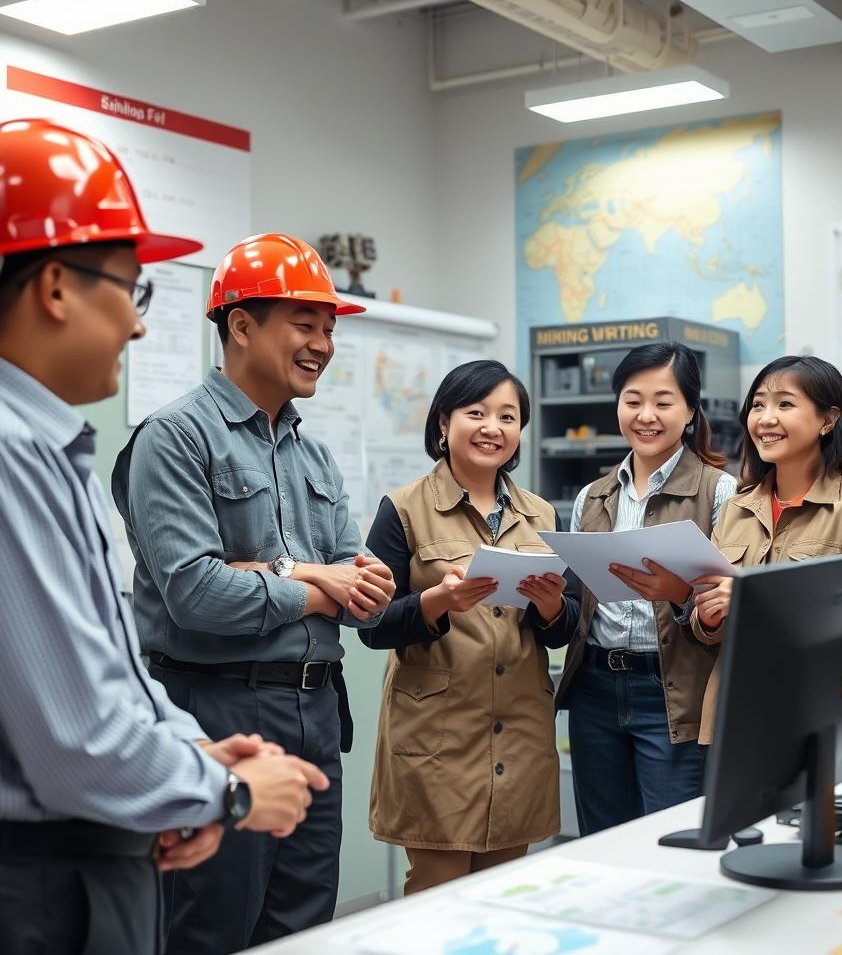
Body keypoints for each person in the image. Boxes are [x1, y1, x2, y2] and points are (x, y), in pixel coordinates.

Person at [0, 120, 328, 955]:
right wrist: (223, 792)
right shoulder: (17, 454)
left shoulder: (47, 445)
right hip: (39, 875)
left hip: (110, 828)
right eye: (130, 291)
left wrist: (195, 761)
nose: (139, 326)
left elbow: (108, 669)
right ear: (56, 289)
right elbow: (76, 737)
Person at [111, 233, 396, 954]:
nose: (323, 344)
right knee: (213, 928)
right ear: (241, 324)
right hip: (219, 708)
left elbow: (356, 589)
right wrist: (311, 577)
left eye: (329, 328)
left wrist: (289, 575)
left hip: (316, 710)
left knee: (303, 927)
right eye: (306, 323)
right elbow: (197, 596)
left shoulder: (314, 451)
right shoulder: (175, 438)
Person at [359, 359, 579, 894]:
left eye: (508, 416)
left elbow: (563, 626)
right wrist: (437, 601)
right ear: (442, 422)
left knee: (507, 895)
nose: (493, 427)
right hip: (438, 737)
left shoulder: (542, 514)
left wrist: (551, 607)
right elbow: (372, 622)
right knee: (437, 896)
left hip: (520, 734)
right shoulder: (404, 508)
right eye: (476, 412)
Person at [553, 342, 736, 835]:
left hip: (672, 690)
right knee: (601, 840)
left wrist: (679, 593)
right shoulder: (593, 496)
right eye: (633, 401)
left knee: (670, 839)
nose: (646, 415)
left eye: (663, 401)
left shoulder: (720, 491)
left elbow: (726, 609)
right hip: (595, 689)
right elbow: (576, 599)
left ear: (691, 410)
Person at [689, 355, 842, 742]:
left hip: (817, 709)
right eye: (758, 405)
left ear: (827, 420)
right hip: (736, 711)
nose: (765, 418)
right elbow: (707, 632)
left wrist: (755, 597)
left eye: (785, 404)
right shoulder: (737, 505)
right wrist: (710, 616)